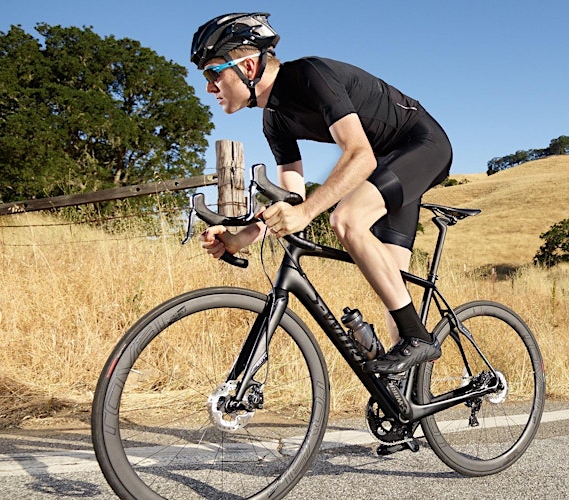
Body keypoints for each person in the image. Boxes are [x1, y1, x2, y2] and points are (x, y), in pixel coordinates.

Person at [191, 12, 451, 374]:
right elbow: (291, 199)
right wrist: (241, 237)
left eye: (212, 73)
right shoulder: (274, 120)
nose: (208, 86)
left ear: (248, 67)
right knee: (395, 290)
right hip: (385, 165)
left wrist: (308, 211)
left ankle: (418, 338)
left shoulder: (310, 76)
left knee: (346, 219)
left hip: (421, 145)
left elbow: (358, 156)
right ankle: (408, 406)